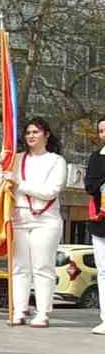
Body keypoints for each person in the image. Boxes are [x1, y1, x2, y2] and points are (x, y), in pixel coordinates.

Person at [0, 117, 67, 327]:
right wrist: (0, 166)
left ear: (46, 134)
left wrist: (21, 184)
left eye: (35, 132)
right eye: (28, 133)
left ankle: (43, 312)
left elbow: (51, 191)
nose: (31, 136)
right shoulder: (17, 159)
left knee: (42, 266)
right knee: (19, 267)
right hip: (18, 217)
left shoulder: (56, 161)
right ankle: (19, 310)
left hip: (46, 219)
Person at [83, 115, 105, 335]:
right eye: (101, 131)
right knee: (103, 270)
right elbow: (90, 186)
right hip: (102, 221)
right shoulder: (96, 158)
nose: (104, 134)